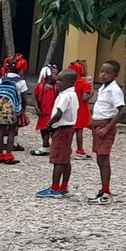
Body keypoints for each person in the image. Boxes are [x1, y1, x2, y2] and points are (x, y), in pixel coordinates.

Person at [36, 67, 79, 199]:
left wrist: (49, 124)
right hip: (69, 128)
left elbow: (59, 113)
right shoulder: (73, 94)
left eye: (61, 80)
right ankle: (63, 186)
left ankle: (54, 188)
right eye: (57, 80)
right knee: (65, 159)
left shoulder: (64, 96)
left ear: (71, 82)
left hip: (60, 129)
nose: (57, 83)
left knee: (58, 160)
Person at [87, 60, 125, 204]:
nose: (103, 75)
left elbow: (121, 110)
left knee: (104, 158)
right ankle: (103, 189)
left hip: (105, 128)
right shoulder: (103, 87)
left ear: (115, 75)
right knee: (99, 158)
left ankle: (106, 192)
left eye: (107, 73)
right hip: (97, 127)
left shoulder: (114, 90)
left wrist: (107, 128)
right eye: (102, 71)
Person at [0, 54, 29, 166]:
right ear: (20, 69)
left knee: (0, 132)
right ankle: (9, 155)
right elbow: (24, 98)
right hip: (13, 108)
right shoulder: (21, 82)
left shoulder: (2, 79)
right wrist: (23, 109)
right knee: (11, 131)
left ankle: (0, 155)